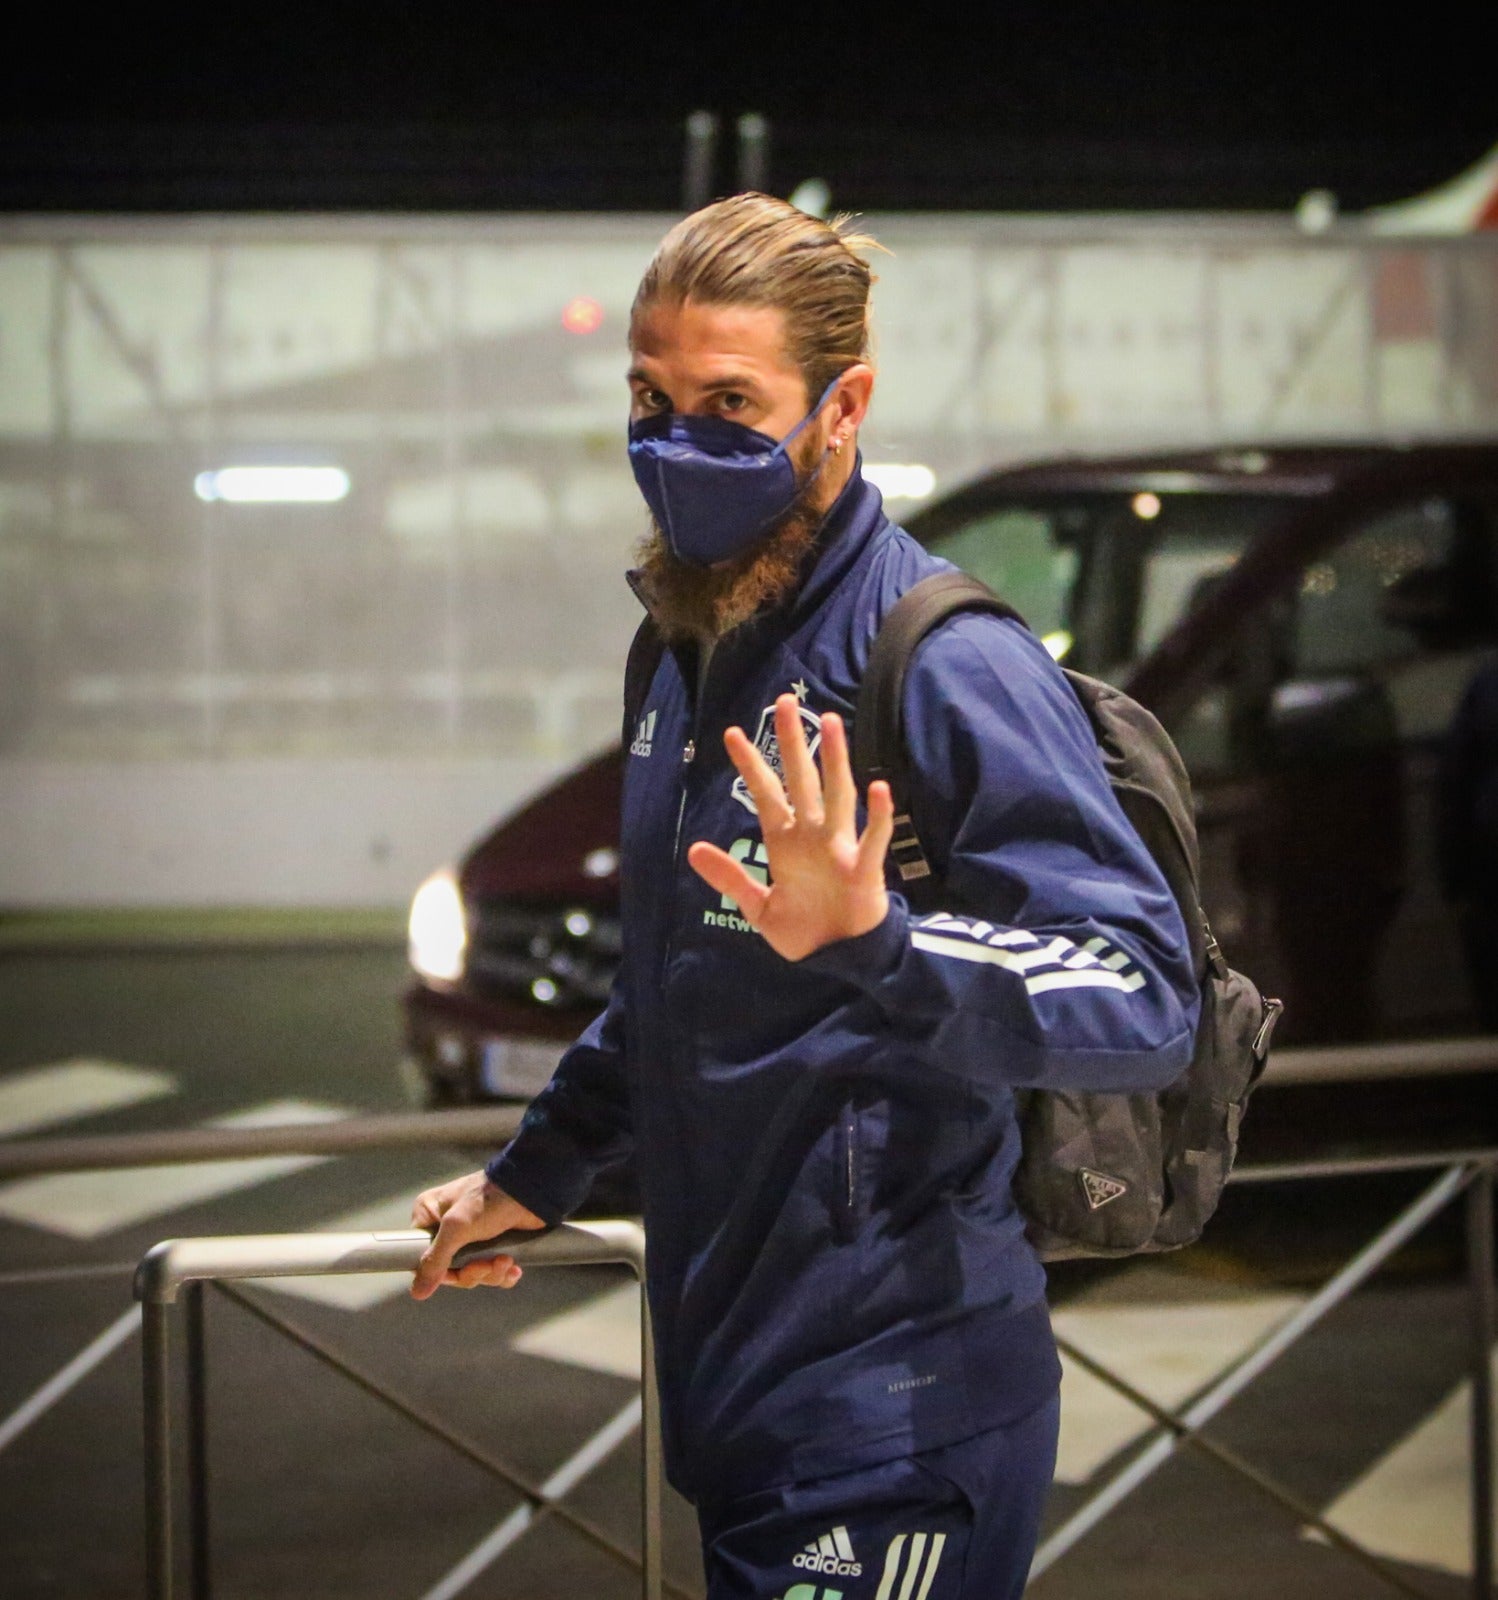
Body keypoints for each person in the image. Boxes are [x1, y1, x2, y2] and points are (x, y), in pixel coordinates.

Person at [410, 194, 1199, 1599]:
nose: (675, 442)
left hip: (898, 1410)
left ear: (843, 407)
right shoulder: (681, 651)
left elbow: (1140, 992)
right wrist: (534, 1173)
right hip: (741, 1403)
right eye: (649, 397)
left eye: (728, 402)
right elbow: (674, 991)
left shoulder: (942, 661)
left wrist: (879, 944)